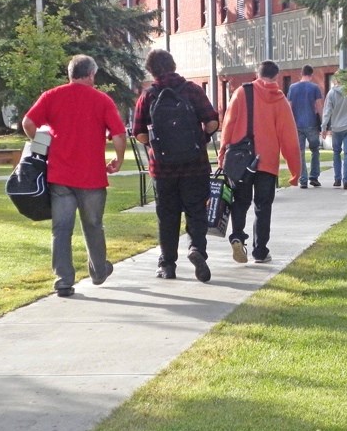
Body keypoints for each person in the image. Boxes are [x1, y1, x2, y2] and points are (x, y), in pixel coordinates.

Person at [22, 54, 126, 297]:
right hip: (92, 176)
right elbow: (119, 135)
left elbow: (28, 122)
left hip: (60, 175)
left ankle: (63, 280)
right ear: (91, 75)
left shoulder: (52, 96)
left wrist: (40, 144)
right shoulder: (102, 100)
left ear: (70, 74)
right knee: (93, 225)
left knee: (61, 229)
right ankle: (99, 271)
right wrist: (118, 160)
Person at [132, 49, 219, 282]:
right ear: (173, 64)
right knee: (196, 211)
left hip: (163, 169)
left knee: (168, 216)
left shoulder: (148, 96)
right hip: (195, 165)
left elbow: (139, 133)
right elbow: (211, 121)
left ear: (151, 70)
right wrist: (201, 138)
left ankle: (167, 265)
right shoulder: (192, 90)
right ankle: (196, 249)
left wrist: (154, 146)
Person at [218, 60, 301, 264]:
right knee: (263, 206)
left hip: (240, 160)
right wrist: (295, 171)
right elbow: (289, 138)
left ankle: (237, 236)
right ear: (277, 77)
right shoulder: (280, 100)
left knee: (241, 201)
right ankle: (260, 251)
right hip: (267, 161)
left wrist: (222, 154)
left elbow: (227, 125)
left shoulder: (241, 93)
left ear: (257, 73)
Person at [287, 64, 323, 188]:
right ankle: (314, 177)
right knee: (315, 150)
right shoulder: (315, 88)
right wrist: (323, 123)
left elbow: (289, 107)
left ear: (301, 74)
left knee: (300, 152)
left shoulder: (292, 88)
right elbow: (318, 106)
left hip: (297, 124)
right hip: (311, 123)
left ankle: (303, 179)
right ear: (311, 75)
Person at [320, 76, 347, 190]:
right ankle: (346, 180)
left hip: (336, 128)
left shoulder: (331, 93)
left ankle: (337, 179)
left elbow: (327, 111)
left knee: (336, 153)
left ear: (335, 81)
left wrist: (324, 127)